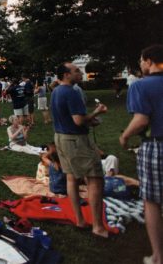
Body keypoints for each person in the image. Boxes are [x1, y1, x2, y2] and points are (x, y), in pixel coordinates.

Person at [51, 62, 108, 238]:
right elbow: (78, 120)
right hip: (76, 140)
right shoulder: (71, 92)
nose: (81, 73)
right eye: (77, 71)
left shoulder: (55, 92)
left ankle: (80, 220)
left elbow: (67, 117)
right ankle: (98, 227)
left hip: (60, 137)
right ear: (67, 75)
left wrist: (89, 120)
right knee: (95, 179)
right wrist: (97, 112)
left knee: (71, 178)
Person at [120, 44, 163, 264]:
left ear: (148, 61)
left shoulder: (140, 86)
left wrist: (125, 136)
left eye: (140, 60)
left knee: (152, 201)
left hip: (155, 145)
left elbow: (142, 120)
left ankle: (157, 256)